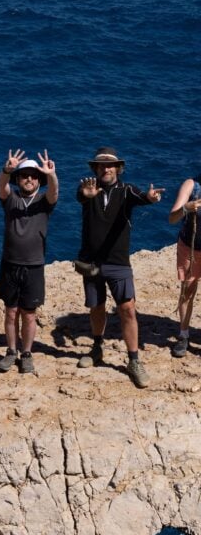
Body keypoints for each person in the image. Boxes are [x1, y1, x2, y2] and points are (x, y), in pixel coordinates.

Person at [76, 147, 164, 387]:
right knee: (96, 307)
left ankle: (134, 360)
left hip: (118, 262)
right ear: (95, 168)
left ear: (118, 168)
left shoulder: (127, 191)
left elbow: (141, 198)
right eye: (101, 165)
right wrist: (87, 194)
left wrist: (151, 198)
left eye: (110, 165)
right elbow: (82, 196)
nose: (106, 169)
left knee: (127, 309)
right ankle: (97, 348)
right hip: (91, 262)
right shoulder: (87, 188)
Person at [0, 150, 58, 374]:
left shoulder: (43, 201)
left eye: (33, 176)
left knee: (29, 313)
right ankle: (11, 351)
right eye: (24, 176)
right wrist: (7, 170)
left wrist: (51, 174)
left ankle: (27, 353)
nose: (29, 179)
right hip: (10, 263)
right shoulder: (11, 198)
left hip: (34, 265)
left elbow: (54, 191)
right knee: (11, 311)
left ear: (38, 181)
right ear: (18, 180)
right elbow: (1, 187)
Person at [168, 173, 201, 357]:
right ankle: (184, 335)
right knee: (187, 290)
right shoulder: (191, 185)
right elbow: (172, 218)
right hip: (191, 247)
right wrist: (186, 209)